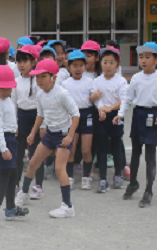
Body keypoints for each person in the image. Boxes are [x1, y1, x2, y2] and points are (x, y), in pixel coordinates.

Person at [15, 59, 80, 219]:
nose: (39, 80)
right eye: (37, 77)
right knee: (33, 163)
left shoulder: (62, 93)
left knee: (59, 169)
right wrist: (32, 133)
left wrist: (70, 136)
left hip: (64, 135)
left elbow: (76, 114)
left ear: (54, 77)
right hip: (50, 134)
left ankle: (67, 206)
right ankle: (23, 193)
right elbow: (40, 114)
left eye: (43, 76)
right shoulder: (40, 94)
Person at [114, 42, 157, 207]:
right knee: (135, 153)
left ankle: (148, 190)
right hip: (139, 115)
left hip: (153, 115)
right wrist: (120, 115)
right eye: (141, 57)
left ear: (155, 60)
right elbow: (127, 98)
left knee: (150, 157)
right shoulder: (137, 78)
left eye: (148, 57)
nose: (144, 60)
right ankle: (133, 183)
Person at [0, 65, 28, 227]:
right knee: (4, 177)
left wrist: (14, 126)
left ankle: (10, 208)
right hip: (2, 140)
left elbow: (11, 115)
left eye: (9, 88)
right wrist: (4, 149)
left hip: (11, 138)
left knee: (13, 174)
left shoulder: (7, 99)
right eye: (2, 88)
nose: (6, 92)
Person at [61, 50, 97, 190]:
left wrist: (95, 97)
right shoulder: (65, 84)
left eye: (81, 65)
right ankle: (69, 177)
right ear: (69, 67)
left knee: (86, 150)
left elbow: (93, 99)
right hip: (71, 116)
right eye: (74, 65)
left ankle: (86, 176)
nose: (78, 68)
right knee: (71, 149)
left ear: (85, 66)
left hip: (87, 115)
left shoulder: (90, 81)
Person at [12, 46, 45, 199]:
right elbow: (13, 104)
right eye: (18, 61)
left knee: (36, 154)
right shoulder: (16, 82)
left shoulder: (38, 82)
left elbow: (42, 105)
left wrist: (42, 126)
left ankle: (38, 185)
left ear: (33, 62)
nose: (21, 65)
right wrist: (14, 124)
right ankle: (16, 183)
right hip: (21, 119)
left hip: (36, 119)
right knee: (18, 155)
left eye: (25, 61)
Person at [92, 47, 127, 193]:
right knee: (102, 149)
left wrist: (109, 108)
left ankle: (118, 175)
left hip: (115, 116)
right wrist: (101, 109)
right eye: (105, 62)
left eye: (111, 62)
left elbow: (124, 99)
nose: (108, 65)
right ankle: (103, 179)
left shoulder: (121, 81)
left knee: (116, 147)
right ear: (100, 63)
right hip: (101, 116)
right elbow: (96, 99)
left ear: (117, 64)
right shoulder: (97, 81)